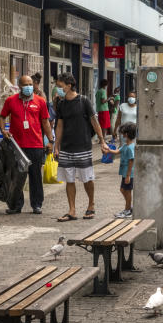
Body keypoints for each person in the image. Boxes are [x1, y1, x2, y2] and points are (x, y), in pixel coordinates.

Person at [53, 73, 109, 221]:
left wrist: (102, 141)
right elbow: (59, 125)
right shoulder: (61, 104)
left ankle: (91, 205)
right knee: (69, 179)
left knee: (87, 178)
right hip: (66, 147)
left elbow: (94, 121)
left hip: (83, 146)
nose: (58, 89)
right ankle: (72, 210)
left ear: (69, 85)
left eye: (60, 86)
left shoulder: (84, 101)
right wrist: (56, 146)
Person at [0, 75, 55, 214]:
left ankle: (37, 204)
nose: (29, 86)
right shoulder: (11, 101)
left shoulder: (40, 101)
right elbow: (2, 117)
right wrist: (3, 130)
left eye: (30, 84)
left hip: (35, 145)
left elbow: (45, 122)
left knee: (35, 176)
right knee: (16, 176)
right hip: (16, 146)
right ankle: (16, 205)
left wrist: (50, 140)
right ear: (20, 86)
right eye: (26, 84)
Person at [105, 122, 136, 218]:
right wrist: (108, 150)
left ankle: (127, 210)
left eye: (122, 133)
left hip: (128, 174)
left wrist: (128, 176)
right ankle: (128, 207)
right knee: (124, 190)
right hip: (125, 173)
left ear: (126, 134)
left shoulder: (130, 147)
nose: (121, 135)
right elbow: (118, 151)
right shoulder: (126, 145)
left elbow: (131, 161)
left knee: (126, 190)